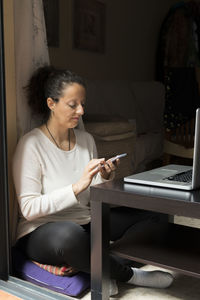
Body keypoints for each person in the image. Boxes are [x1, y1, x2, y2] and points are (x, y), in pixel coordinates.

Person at [13, 65, 173, 296]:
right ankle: (130, 275)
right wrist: (77, 186)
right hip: (44, 231)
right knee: (71, 235)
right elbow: (28, 209)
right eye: (72, 104)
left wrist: (105, 176)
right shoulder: (31, 144)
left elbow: (92, 198)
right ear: (51, 104)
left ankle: (98, 267)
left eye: (82, 104)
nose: (80, 111)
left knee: (157, 215)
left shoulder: (86, 139)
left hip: (85, 222)